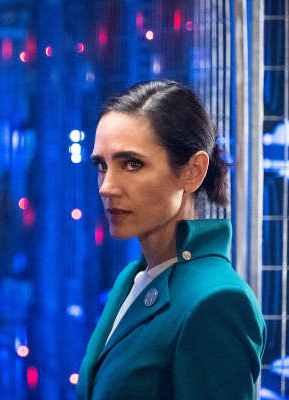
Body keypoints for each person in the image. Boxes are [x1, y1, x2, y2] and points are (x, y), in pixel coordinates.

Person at [78, 80, 265, 399]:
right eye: (102, 165)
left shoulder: (217, 300)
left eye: (132, 164)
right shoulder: (133, 278)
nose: (107, 186)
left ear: (193, 171)